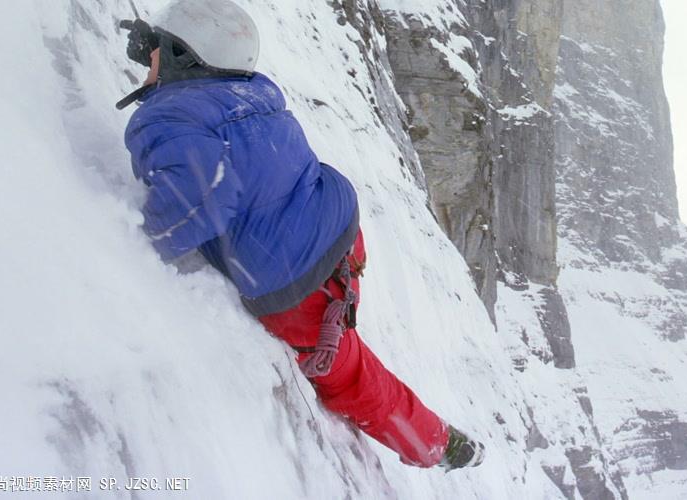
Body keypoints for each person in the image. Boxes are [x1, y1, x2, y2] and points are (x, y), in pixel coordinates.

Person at [119, 0, 484, 470]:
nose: (142, 57)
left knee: (348, 374)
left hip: (298, 283)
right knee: (342, 322)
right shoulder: (251, 93)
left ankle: (439, 444)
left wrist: (139, 241)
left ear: (181, 59)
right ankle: (343, 308)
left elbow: (203, 193)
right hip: (338, 228)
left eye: (153, 51)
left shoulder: (164, 118)